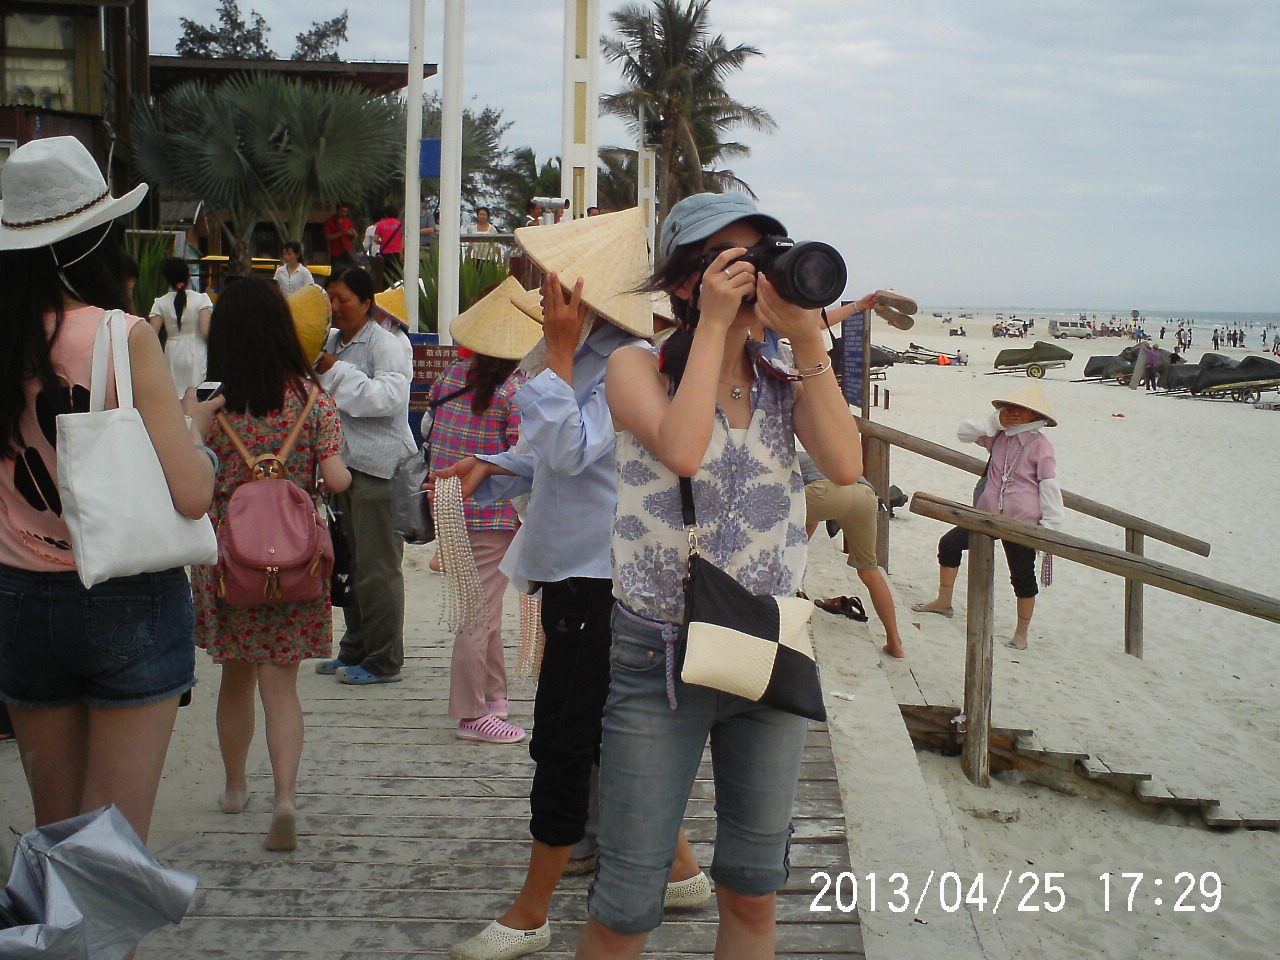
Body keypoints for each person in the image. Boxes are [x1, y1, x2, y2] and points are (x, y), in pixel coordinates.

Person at [576, 193, 861, 958]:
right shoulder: (634, 365)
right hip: (658, 657)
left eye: (759, 256)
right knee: (624, 910)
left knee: (754, 892)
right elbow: (682, 449)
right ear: (683, 282)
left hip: (767, 646)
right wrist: (710, 326)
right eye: (724, 260)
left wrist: (809, 339)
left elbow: (846, 465)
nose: (748, 275)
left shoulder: (783, 378)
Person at [440, 209, 706, 960]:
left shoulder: (625, 359)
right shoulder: (587, 355)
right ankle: (682, 869)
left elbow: (569, 448)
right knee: (598, 734)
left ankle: (532, 911)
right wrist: (493, 465)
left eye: (552, 280)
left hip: (601, 577)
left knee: (564, 740)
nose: (540, 291)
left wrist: (556, 355)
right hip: (579, 573)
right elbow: (552, 456)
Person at [0, 137, 218, 844]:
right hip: (127, 595)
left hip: (18, 596)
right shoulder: (123, 337)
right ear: (94, 240)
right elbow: (191, 496)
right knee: (111, 848)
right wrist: (195, 434)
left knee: (60, 835)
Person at [192, 278, 350, 851]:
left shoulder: (208, 400)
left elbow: (189, 478)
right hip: (294, 565)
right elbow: (336, 479)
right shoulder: (312, 399)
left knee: (235, 678)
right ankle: (284, 798)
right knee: (282, 687)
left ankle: (236, 787)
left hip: (229, 565)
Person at [429, 277, 541, 745]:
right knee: (479, 616)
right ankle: (472, 712)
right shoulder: (517, 391)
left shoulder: (451, 377)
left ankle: (494, 696)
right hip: (492, 516)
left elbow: (432, 434)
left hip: (449, 507)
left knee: (481, 609)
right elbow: (522, 458)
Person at [313, 267, 415, 684]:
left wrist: (335, 370)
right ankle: (355, 648)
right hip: (343, 468)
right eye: (330, 300)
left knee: (378, 568)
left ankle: (383, 660)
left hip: (381, 469)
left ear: (367, 303)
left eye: (344, 300)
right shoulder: (330, 342)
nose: (335, 307)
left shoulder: (385, 343)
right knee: (349, 564)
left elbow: (389, 398)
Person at [912, 383, 1063, 650]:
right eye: (1010, 408)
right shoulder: (999, 436)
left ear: (1036, 415)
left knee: (1022, 574)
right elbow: (963, 433)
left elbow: (1048, 485)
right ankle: (944, 602)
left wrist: (1050, 525)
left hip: (1021, 521)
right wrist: (994, 422)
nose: (1015, 413)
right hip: (987, 514)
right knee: (949, 544)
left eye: (1022, 409)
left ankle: (1021, 632)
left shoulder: (1041, 445)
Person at [801, 455, 906, 658]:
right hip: (864, 494)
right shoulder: (816, 457)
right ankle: (895, 642)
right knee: (870, 571)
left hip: (823, 491)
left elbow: (805, 527)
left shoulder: (785, 458)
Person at [150, 256, 213, 396]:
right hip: (196, 351)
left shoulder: (160, 303)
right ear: (189, 275)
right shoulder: (201, 299)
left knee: (174, 394)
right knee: (196, 394)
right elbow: (205, 331)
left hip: (172, 352)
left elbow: (151, 335)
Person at [372, 205, 406, 291]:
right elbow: (403, 239)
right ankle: (397, 291)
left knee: (385, 275)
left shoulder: (381, 225)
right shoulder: (400, 225)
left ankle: (386, 291)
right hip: (397, 253)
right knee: (398, 275)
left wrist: (382, 243)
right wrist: (402, 252)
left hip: (385, 253)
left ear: (385, 214)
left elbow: (375, 239)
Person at [324, 202, 359, 274]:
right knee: (337, 273)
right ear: (337, 210)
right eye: (342, 211)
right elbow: (328, 237)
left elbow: (355, 235)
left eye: (345, 212)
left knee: (351, 272)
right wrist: (341, 233)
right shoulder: (330, 221)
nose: (344, 213)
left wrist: (353, 233)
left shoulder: (347, 221)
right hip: (336, 252)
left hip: (348, 251)